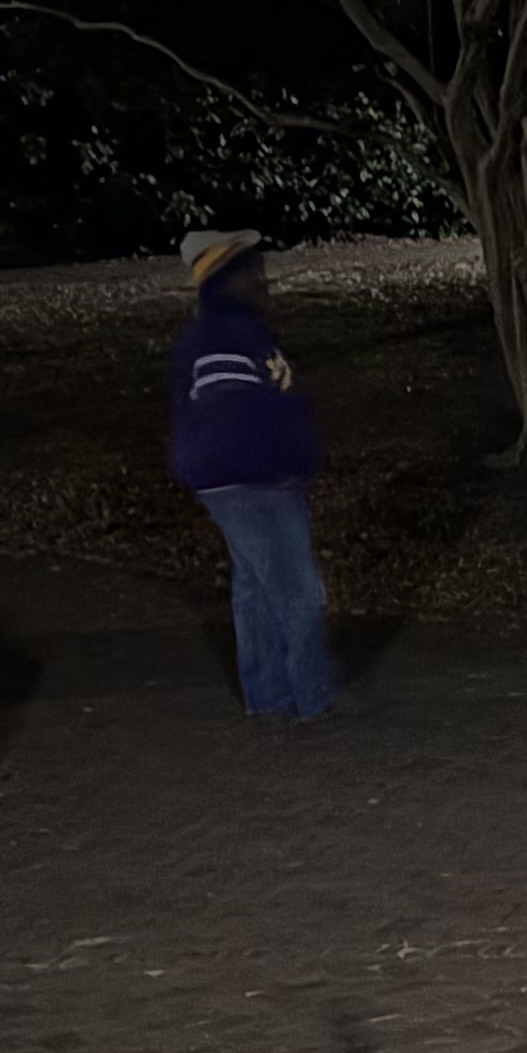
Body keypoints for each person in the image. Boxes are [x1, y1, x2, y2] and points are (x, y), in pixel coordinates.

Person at [166, 228, 339, 721]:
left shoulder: (215, 331)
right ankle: (313, 693)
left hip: (228, 478)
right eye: (254, 274)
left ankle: (269, 697)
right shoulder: (226, 335)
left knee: (256, 589)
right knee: (298, 590)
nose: (265, 284)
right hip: (256, 479)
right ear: (228, 277)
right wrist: (287, 460)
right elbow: (237, 416)